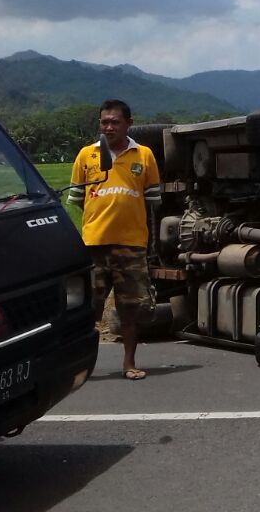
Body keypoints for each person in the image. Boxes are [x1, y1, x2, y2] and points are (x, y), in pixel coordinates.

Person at [68, 99, 162, 381]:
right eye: (104, 122)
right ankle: (81, 365)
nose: (108, 127)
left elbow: (152, 201)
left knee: (130, 309)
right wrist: (99, 223)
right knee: (88, 310)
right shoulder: (87, 155)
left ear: (129, 124)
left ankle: (129, 363)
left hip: (131, 245)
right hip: (94, 244)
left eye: (115, 122)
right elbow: (77, 200)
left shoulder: (144, 155)